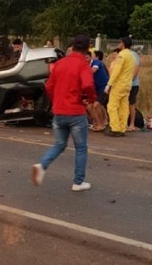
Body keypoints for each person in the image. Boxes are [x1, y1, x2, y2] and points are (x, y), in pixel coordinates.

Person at [32, 34, 96, 192]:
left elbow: (48, 86)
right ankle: (78, 182)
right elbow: (88, 84)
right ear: (87, 49)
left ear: (72, 47)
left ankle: (42, 165)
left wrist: (56, 100)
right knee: (81, 147)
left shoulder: (59, 63)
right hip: (75, 111)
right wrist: (91, 98)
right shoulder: (83, 65)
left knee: (59, 144)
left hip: (59, 112)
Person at [104, 37, 135, 137]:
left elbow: (117, 70)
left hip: (119, 84)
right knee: (123, 107)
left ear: (123, 43)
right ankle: (122, 128)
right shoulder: (131, 56)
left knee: (112, 106)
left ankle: (115, 128)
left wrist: (109, 84)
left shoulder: (121, 55)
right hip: (127, 84)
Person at [127, 48, 141, 132]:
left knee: (131, 104)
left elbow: (137, 67)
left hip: (133, 84)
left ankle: (132, 124)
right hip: (123, 84)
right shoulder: (121, 54)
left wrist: (131, 79)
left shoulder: (133, 54)